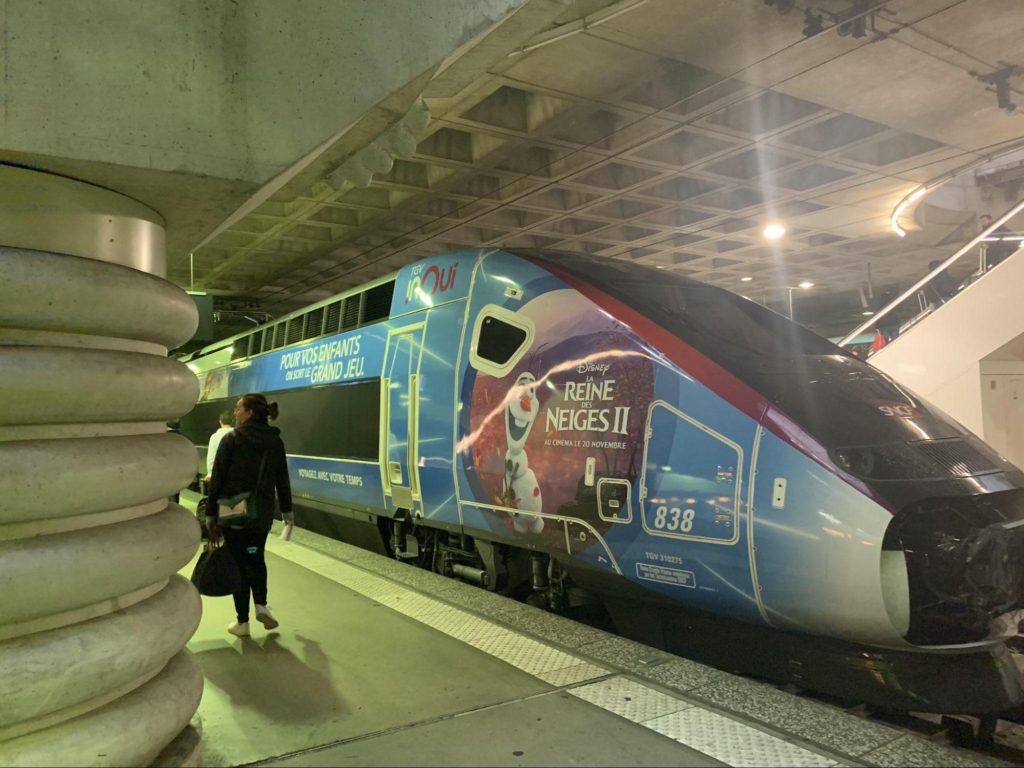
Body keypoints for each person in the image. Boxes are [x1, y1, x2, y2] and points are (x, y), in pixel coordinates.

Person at [207, 393, 293, 638]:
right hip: (261, 514)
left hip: (234, 514)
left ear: (250, 413)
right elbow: (282, 479)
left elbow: (217, 481)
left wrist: (211, 515)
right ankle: (261, 604)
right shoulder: (275, 442)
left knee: (238, 563)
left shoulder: (232, 439)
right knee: (255, 556)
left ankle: (242, 622)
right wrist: (287, 511)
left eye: (238, 409)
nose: (235, 413)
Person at [204, 410, 234, 483]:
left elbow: (211, 457)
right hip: (234, 474)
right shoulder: (238, 435)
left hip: (219, 474)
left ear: (220, 421)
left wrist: (210, 473)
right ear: (232, 421)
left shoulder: (214, 437)